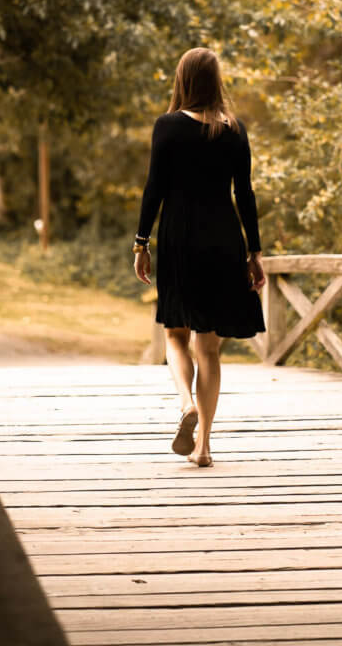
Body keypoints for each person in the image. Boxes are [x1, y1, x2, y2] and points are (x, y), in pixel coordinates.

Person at [133, 47, 265, 468]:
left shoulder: (167, 127)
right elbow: (244, 193)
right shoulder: (235, 129)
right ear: (216, 81)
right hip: (224, 240)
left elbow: (154, 188)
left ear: (183, 80)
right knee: (209, 349)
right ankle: (204, 448)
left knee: (176, 334)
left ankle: (186, 402)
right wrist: (255, 252)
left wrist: (141, 243)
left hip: (179, 238)